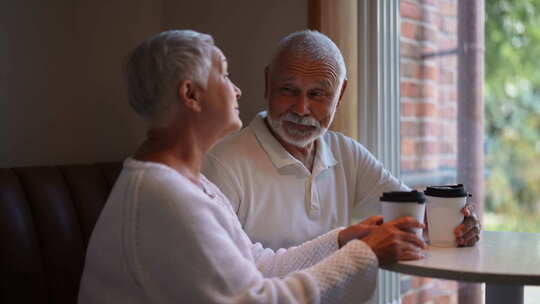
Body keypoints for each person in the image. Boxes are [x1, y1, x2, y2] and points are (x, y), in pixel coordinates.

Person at [78, 29, 426, 304]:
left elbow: (256, 266)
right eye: (225, 75)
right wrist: (363, 254)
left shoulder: (186, 184)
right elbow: (254, 300)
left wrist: (342, 240)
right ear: (191, 94)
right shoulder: (163, 196)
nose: (238, 90)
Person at [203, 30, 481, 251]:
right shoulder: (223, 163)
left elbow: (415, 220)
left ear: (340, 94)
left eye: (317, 95)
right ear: (268, 82)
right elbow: (222, 278)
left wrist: (459, 222)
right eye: (288, 90)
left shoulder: (347, 154)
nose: (301, 109)